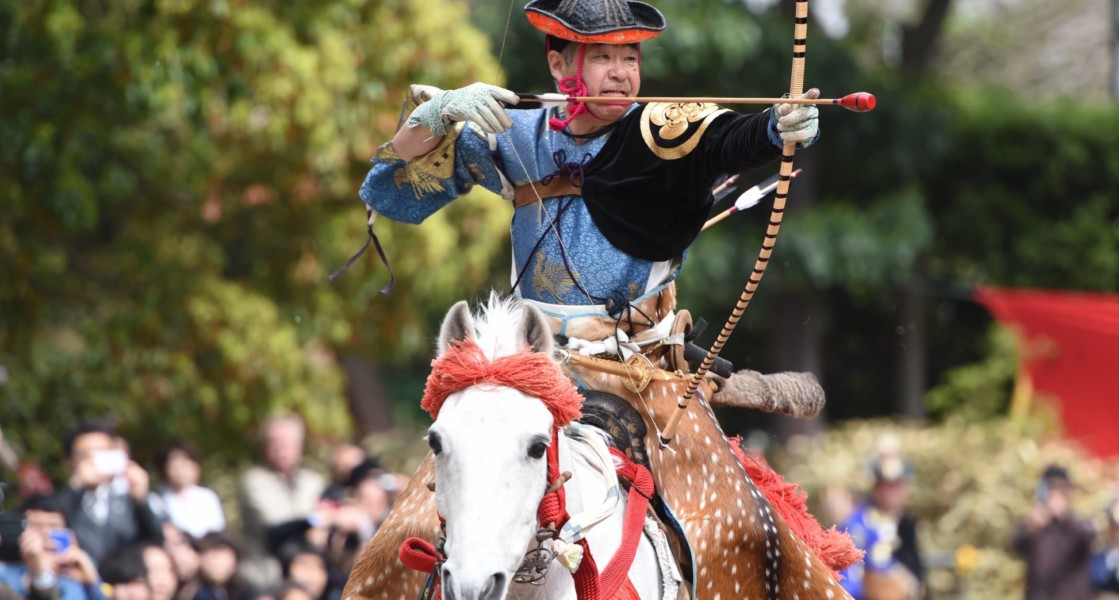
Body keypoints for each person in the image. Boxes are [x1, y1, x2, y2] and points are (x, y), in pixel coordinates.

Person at [359, 0, 819, 334]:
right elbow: (390, 187)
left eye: (630, 58)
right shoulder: (513, 131)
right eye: (603, 57)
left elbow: (732, 140)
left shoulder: (665, 128)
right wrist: (438, 113)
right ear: (558, 64)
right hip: (532, 359)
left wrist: (778, 127)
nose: (621, 73)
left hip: (637, 359)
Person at [54, 422, 164, 567]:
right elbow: (53, 523)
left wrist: (141, 501)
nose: (95, 461)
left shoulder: (129, 498)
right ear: (68, 462)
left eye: (102, 452)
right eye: (86, 455)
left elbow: (155, 541)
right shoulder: (64, 498)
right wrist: (75, 487)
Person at [238, 414, 325, 588]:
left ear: (299, 447)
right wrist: (316, 520)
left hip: (311, 575)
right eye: (274, 442)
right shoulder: (254, 481)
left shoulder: (314, 481)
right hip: (267, 577)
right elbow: (277, 527)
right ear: (265, 447)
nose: (281, 448)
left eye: (287, 442)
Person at [839, 442, 925, 600]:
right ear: (876, 487)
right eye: (885, 486)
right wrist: (906, 579)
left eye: (896, 486)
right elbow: (879, 563)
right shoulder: (865, 521)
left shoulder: (907, 523)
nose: (891, 492)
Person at [1011, 464, 1096, 600]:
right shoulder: (1037, 522)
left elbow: (1089, 537)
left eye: (1059, 489)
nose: (1053, 495)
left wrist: (1064, 516)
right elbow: (1015, 545)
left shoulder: (1077, 523)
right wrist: (1031, 528)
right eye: (1050, 489)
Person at [0, 494, 105, 600]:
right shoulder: (6, 575)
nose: (46, 532)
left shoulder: (78, 578)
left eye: (54, 526)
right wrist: (38, 572)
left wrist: (92, 581)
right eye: (38, 526)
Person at [155, 442, 227, 539]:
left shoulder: (207, 497)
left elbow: (218, 530)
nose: (181, 471)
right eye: (176, 465)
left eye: (186, 465)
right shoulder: (157, 499)